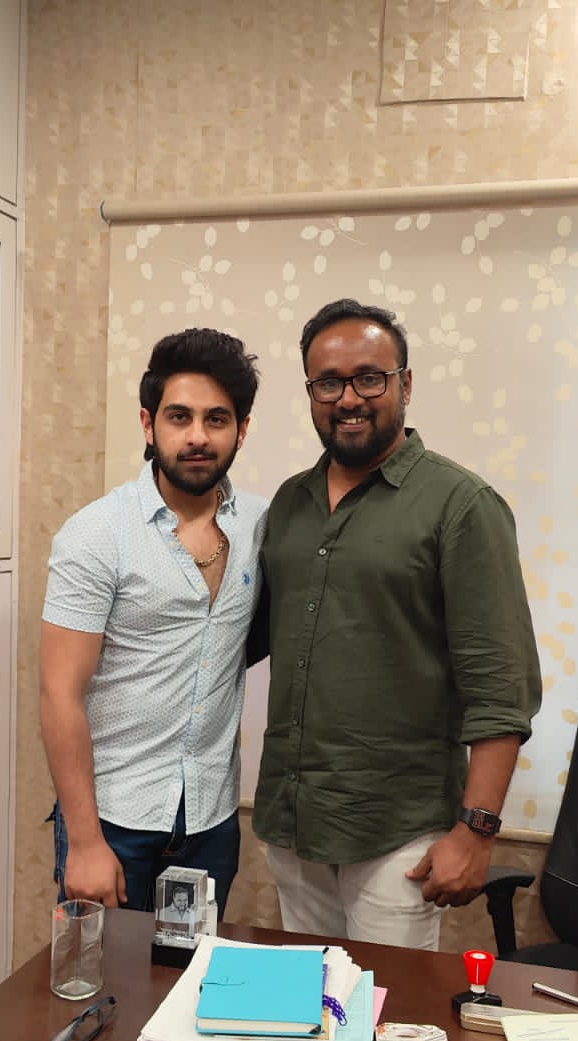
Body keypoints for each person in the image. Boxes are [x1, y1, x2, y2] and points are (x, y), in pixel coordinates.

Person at [252, 298, 542, 950]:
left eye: (369, 378)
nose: (349, 398)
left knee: (383, 1010)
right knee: (310, 1007)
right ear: (310, 392)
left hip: (397, 835)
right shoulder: (290, 504)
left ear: (405, 384)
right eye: (329, 382)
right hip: (294, 824)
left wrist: (475, 831)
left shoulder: (460, 505)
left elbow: (501, 687)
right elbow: (248, 637)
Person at [40, 327, 265, 920]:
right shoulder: (96, 534)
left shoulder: (260, 527)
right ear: (148, 424)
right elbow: (59, 694)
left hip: (211, 820)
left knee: (195, 977)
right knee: (103, 976)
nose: (197, 436)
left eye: (217, 419)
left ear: (242, 429)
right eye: (179, 416)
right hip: (113, 820)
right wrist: (84, 841)